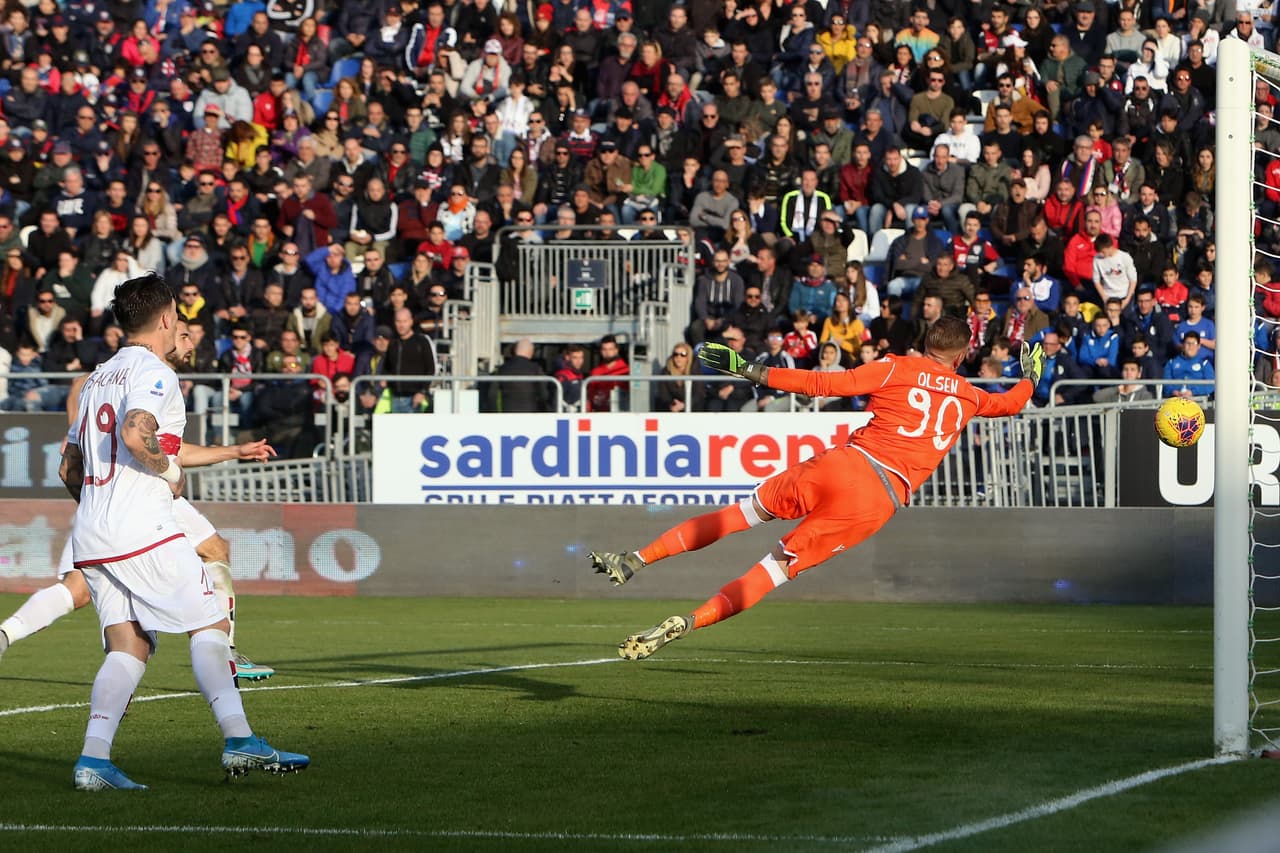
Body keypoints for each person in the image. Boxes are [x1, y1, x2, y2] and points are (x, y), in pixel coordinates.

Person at [588, 317, 1042, 659]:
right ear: (961, 357)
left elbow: (823, 383)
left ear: (924, 343)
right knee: (772, 570)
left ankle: (636, 559)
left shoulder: (894, 368)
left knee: (740, 514)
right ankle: (689, 622)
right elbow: (1010, 404)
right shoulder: (969, 395)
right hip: (877, 498)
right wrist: (1030, 378)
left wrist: (750, 369)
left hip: (844, 464)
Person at [57, 273, 306, 790]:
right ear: (167, 317)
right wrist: (166, 469)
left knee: (129, 646)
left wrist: (225, 452)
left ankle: (93, 762)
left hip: (91, 532)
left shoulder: (96, 380)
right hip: (141, 528)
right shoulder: (154, 372)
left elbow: (69, 468)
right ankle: (240, 740)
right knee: (211, 622)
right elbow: (136, 433)